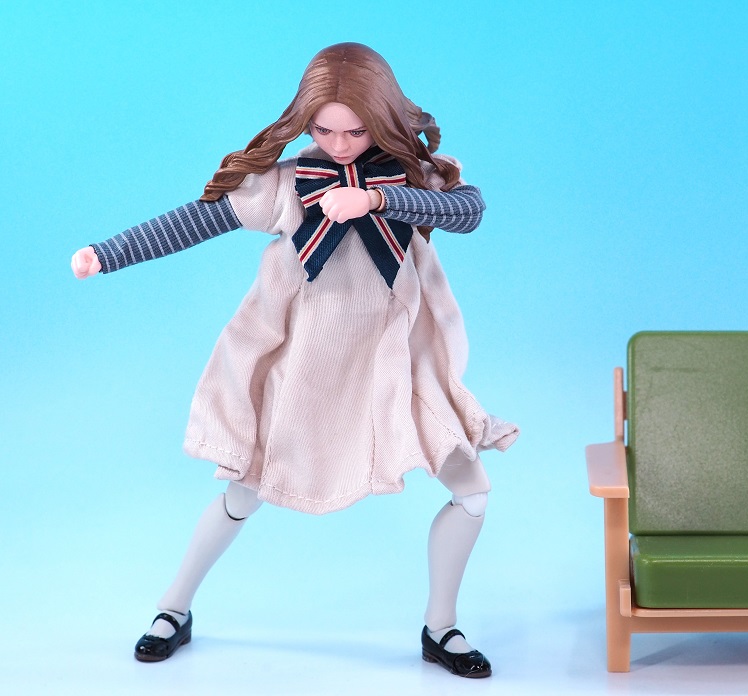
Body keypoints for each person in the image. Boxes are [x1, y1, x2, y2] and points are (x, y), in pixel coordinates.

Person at [71, 42, 517, 679]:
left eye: (356, 131)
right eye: (323, 130)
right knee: (243, 493)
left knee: (471, 490)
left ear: (383, 119)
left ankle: (441, 626)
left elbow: (468, 210)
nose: (339, 145)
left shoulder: (411, 180)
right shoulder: (288, 185)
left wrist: (378, 202)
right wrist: (108, 253)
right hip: (306, 370)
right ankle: (173, 608)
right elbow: (196, 221)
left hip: (395, 371)